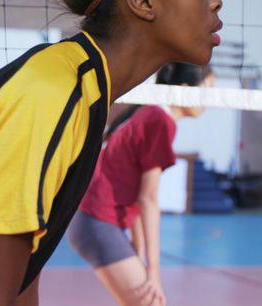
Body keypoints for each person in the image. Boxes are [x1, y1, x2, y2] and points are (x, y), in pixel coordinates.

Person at [0, 0, 222, 305]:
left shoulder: (88, 93)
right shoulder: (52, 90)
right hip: (100, 222)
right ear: (142, 2)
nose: (215, 0)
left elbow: (21, 279)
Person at [67, 63, 214, 306]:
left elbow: (135, 195)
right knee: (151, 302)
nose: (212, 98)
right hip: (96, 222)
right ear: (185, 90)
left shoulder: (150, 113)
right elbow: (148, 199)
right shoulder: (159, 121)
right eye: (207, 89)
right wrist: (154, 272)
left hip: (91, 221)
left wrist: (140, 253)